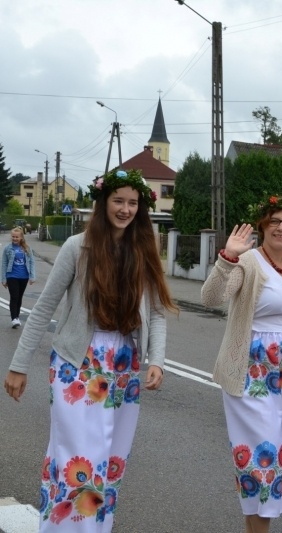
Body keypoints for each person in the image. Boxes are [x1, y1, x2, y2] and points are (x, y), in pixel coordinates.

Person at [3, 168, 176, 531]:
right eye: (118, 201)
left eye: (132, 203)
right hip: (77, 364)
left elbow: (157, 313)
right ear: (102, 203)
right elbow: (45, 308)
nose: (125, 209)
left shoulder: (144, 250)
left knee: (111, 462)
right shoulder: (76, 246)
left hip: (125, 365)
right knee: (77, 459)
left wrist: (156, 360)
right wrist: (19, 366)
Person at [201, 193, 282, 533]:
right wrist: (228, 258)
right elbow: (211, 298)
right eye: (274, 221)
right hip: (252, 367)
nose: (281, 228)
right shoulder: (249, 262)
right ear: (263, 225)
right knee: (260, 452)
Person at [2, 226, 36, 328]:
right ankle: (14, 319)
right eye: (13, 237)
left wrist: (32, 276)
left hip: (24, 277)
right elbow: (4, 263)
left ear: (21, 237)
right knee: (14, 296)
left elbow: (32, 263)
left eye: (17, 237)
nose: (14, 238)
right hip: (11, 275)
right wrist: (3, 279)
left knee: (19, 297)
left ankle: (17, 316)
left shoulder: (27, 248)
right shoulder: (7, 248)